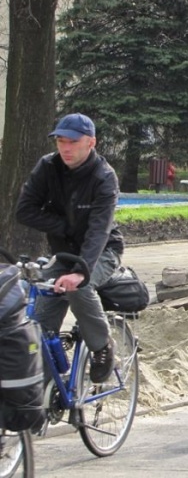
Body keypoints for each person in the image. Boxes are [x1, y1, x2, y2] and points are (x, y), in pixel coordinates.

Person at [16, 113, 124, 383]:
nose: (65, 148)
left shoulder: (104, 177)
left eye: (72, 142)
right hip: (62, 254)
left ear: (91, 143)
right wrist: (65, 227)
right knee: (39, 325)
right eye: (61, 141)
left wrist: (80, 271)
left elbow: (98, 231)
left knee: (79, 286)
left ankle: (102, 346)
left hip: (102, 252)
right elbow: (24, 210)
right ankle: (46, 389)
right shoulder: (48, 167)